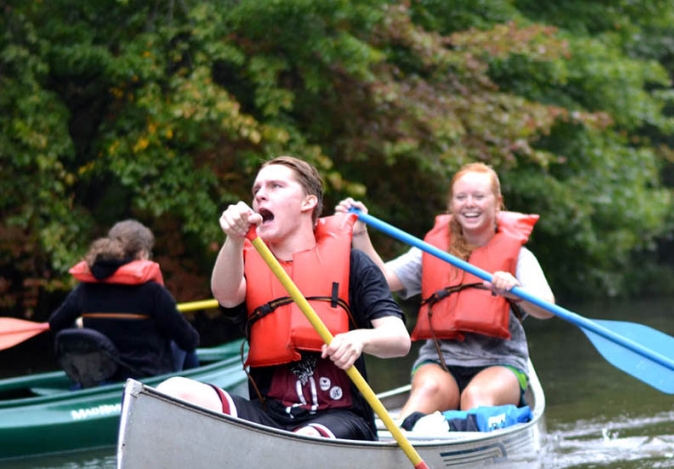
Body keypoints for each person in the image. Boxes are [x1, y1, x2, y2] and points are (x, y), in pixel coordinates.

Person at [157, 156, 411, 441]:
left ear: (308, 203)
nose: (261, 194)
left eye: (276, 186)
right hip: (269, 419)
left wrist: (359, 340)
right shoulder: (245, 263)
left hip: (341, 419)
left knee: (308, 436)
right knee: (171, 391)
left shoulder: (354, 265)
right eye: (256, 190)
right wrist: (233, 238)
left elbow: (399, 341)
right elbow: (226, 296)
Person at [335, 162, 555, 427]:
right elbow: (381, 279)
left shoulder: (519, 255)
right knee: (425, 392)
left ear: (497, 202)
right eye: (461, 197)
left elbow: (546, 308)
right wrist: (360, 233)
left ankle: (470, 434)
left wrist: (516, 291)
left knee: (477, 397)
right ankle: (403, 447)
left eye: (478, 196)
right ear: (451, 204)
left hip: (500, 364)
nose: (469, 204)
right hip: (441, 361)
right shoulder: (431, 251)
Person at [49, 219, 200, 382]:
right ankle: (198, 396)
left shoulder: (84, 290)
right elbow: (189, 341)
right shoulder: (153, 292)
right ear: (142, 254)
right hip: (149, 379)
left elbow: (56, 323)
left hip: (104, 377)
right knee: (182, 344)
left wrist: (81, 327)